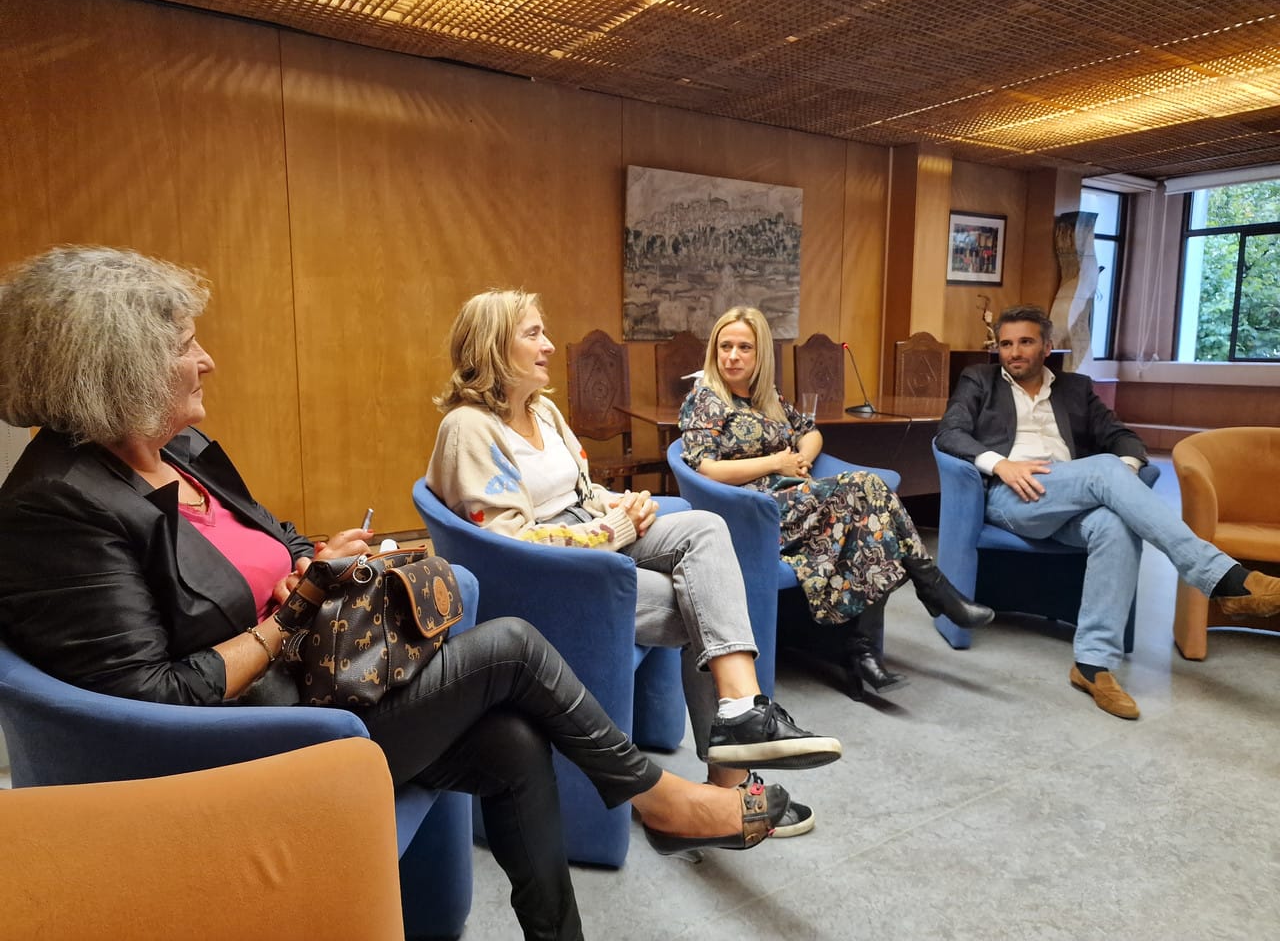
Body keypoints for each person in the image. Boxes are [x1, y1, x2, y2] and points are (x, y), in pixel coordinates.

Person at [0, 247, 791, 941]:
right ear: (116, 366)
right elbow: (156, 695)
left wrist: (317, 558)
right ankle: (658, 798)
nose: (206, 360)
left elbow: (277, 538)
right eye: (184, 346)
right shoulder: (58, 505)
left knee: (514, 743)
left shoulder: (179, 449)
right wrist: (292, 612)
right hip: (254, 741)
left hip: (315, 680)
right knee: (512, 647)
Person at [427, 289, 841, 840]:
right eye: (533, 334)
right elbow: (513, 539)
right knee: (702, 603)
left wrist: (622, 503)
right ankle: (734, 786)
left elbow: (580, 490)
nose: (548, 345)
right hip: (552, 576)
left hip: (590, 537)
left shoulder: (541, 409)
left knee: (704, 527)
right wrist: (616, 528)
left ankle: (741, 711)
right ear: (494, 347)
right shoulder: (467, 428)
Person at [936, 305, 1280, 720]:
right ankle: (1222, 578)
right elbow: (949, 433)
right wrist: (1001, 465)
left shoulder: (1075, 388)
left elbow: (1123, 438)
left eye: (1025, 342)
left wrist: (1123, 479)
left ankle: (1092, 664)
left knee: (1114, 522)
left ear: (1047, 347)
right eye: (1006, 344)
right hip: (1011, 496)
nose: (1014, 352)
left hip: (1071, 494)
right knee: (1103, 469)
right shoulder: (979, 380)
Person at [678, 307, 994, 695]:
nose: (733, 356)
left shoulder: (767, 397)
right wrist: (776, 462)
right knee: (866, 487)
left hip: (798, 501)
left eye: (744, 347)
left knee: (870, 522)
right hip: (752, 511)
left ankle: (863, 650)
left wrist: (801, 459)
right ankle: (931, 587)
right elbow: (706, 468)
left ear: (760, 355)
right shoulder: (706, 399)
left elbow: (811, 432)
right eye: (725, 346)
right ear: (714, 351)